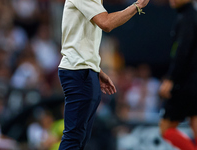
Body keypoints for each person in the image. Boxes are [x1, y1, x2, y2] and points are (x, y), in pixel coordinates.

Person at [58, 0, 149, 149]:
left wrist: (96, 69)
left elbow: (77, 39)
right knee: (74, 138)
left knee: (81, 137)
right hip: (78, 71)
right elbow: (106, 23)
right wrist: (137, 6)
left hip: (85, 70)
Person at [159, 0, 197, 149]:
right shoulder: (191, 17)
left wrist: (170, 79)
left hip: (185, 84)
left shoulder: (187, 19)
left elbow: (181, 52)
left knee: (166, 128)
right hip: (193, 83)